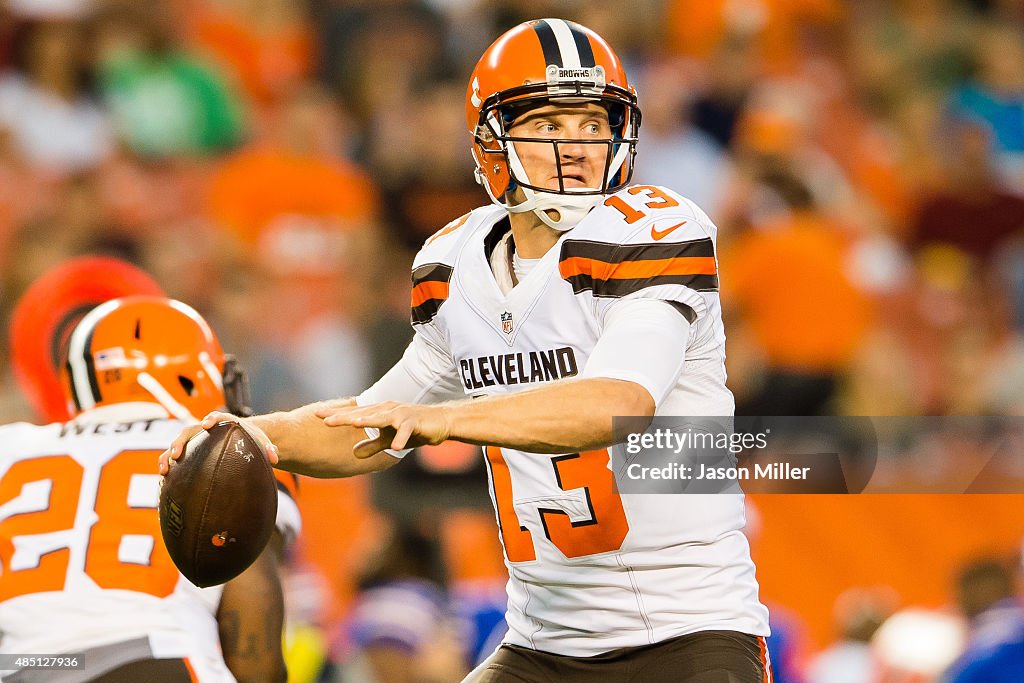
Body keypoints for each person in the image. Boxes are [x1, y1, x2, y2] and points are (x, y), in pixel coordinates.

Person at [163, 18, 771, 681]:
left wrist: (445, 419)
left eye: (592, 124)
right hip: (544, 641)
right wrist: (249, 436)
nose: (577, 147)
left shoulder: (658, 229)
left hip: (687, 635)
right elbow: (372, 426)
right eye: (549, 124)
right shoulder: (456, 264)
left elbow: (618, 404)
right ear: (493, 141)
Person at [1, 295, 300, 682]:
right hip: (156, 658)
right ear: (191, 373)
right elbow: (253, 644)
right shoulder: (219, 448)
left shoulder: (11, 447)